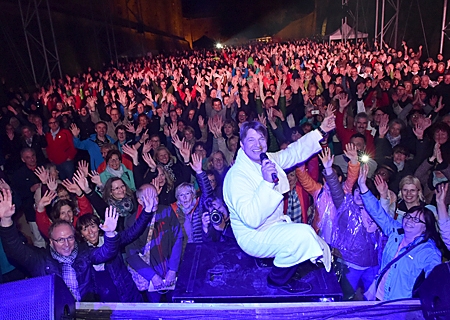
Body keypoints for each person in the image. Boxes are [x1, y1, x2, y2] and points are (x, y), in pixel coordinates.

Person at [223, 113, 336, 294]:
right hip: (253, 234)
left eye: (261, 138)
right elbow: (252, 219)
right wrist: (267, 184)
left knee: (311, 239)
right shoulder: (236, 177)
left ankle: (275, 258)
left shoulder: (266, 159)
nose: (257, 144)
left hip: (272, 225)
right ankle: (278, 281)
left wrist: (320, 131)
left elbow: (293, 153)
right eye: (251, 140)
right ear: (242, 145)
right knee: (302, 235)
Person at [0, 188, 121, 302]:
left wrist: (110, 234)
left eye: (70, 238)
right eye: (60, 240)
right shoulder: (40, 260)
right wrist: (6, 220)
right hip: (56, 311)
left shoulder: (84, 252)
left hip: (86, 307)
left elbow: (106, 253)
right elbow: (14, 250)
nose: (67, 244)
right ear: (51, 241)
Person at [358, 164, 443, 301]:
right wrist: (363, 186)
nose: (410, 221)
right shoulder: (396, 232)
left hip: (400, 305)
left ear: (425, 227)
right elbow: (377, 213)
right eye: (409, 217)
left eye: (416, 220)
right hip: (379, 295)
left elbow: (436, 280)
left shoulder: (428, 251)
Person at [125, 184, 183, 303]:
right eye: (150, 198)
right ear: (140, 201)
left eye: (156, 197)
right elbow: (131, 254)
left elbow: (178, 238)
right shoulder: (132, 221)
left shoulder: (166, 211)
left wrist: (173, 269)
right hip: (150, 276)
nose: (155, 201)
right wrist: (152, 276)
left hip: (171, 271)